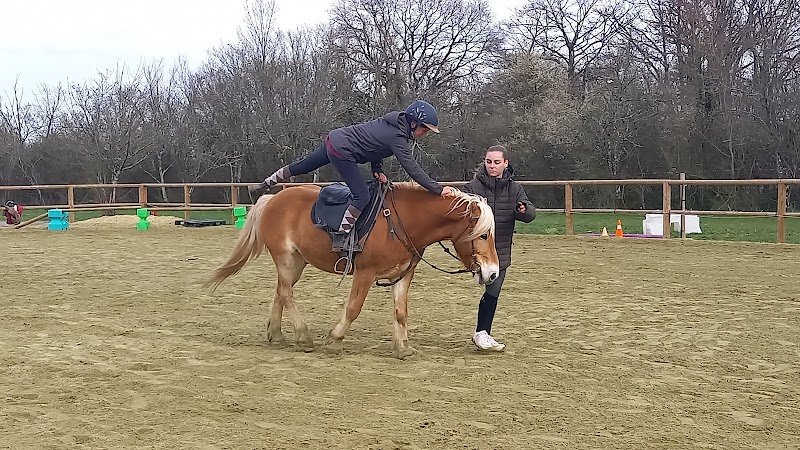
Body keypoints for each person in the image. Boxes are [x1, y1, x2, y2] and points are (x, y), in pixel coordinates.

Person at [249, 100, 458, 234]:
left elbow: (375, 147)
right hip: (343, 151)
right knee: (362, 197)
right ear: (413, 123)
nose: (425, 133)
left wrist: (378, 170)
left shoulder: (393, 126)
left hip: (335, 140)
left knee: (302, 166)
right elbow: (412, 168)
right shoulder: (398, 137)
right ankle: (342, 235)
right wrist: (438, 189)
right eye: (425, 129)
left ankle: (263, 184)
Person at [461, 145, 535, 351]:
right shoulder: (472, 187)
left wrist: (524, 210)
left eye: (496, 162)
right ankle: (482, 332)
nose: (492, 166)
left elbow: (529, 215)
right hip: (476, 250)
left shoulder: (515, 189)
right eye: (488, 162)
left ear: (505, 163)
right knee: (490, 288)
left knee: (493, 291)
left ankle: (482, 332)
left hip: (500, 250)